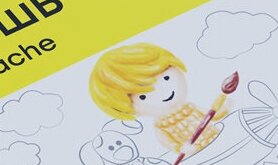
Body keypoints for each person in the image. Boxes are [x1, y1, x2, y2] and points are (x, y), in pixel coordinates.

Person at [89, 43, 230, 155]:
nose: (164, 93)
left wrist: (226, 105)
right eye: (143, 96)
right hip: (199, 154)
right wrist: (181, 149)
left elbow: (213, 116)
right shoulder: (161, 126)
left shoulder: (190, 108)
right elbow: (171, 143)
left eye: (166, 78)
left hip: (220, 140)